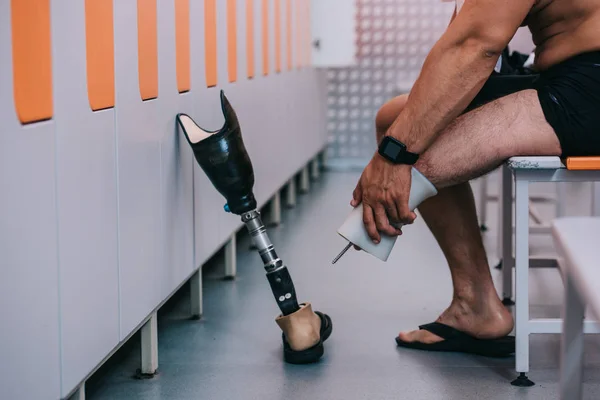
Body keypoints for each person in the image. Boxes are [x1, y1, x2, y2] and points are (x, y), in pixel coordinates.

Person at [351, 0, 600, 356]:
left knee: (410, 142)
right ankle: (476, 305)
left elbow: (474, 45)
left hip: (588, 90)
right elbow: (462, 44)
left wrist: (391, 157)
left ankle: (475, 306)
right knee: (398, 118)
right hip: (571, 78)